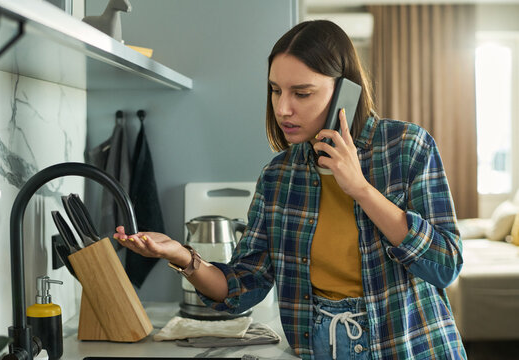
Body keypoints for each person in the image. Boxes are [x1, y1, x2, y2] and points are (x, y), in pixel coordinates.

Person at [113, 20, 466, 360]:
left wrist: (360, 188)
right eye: (275, 90)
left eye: (302, 93)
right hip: (320, 349)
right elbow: (241, 286)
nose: (283, 108)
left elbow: (445, 265)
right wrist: (182, 257)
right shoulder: (279, 176)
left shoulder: (407, 147)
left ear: (346, 92)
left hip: (412, 349)